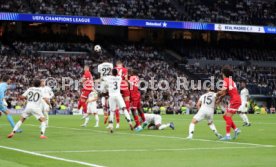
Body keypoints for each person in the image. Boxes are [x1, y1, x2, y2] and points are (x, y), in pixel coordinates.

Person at [217, 66, 241, 141]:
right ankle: (236, 130)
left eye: (222, 73)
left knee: (228, 117)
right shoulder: (231, 80)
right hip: (235, 99)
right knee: (225, 116)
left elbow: (222, 92)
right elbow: (225, 93)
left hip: (235, 100)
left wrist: (214, 94)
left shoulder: (226, 80)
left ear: (223, 73)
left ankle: (228, 135)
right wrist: (220, 98)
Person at [104, 69, 133, 133]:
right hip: (118, 95)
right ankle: (130, 122)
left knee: (112, 111)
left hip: (111, 96)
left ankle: (111, 126)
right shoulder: (119, 78)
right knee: (124, 109)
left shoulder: (109, 77)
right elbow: (121, 74)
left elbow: (103, 77)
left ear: (112, 73)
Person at [115, 60, 130, 128]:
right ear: (121, 64)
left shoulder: (114, 69)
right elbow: (126, 78)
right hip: (124, 85)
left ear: (117, 64)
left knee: (116, 105)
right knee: (127, 100)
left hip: (117, 86)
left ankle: (117, 123)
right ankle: (127, 114)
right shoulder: (124, 69)